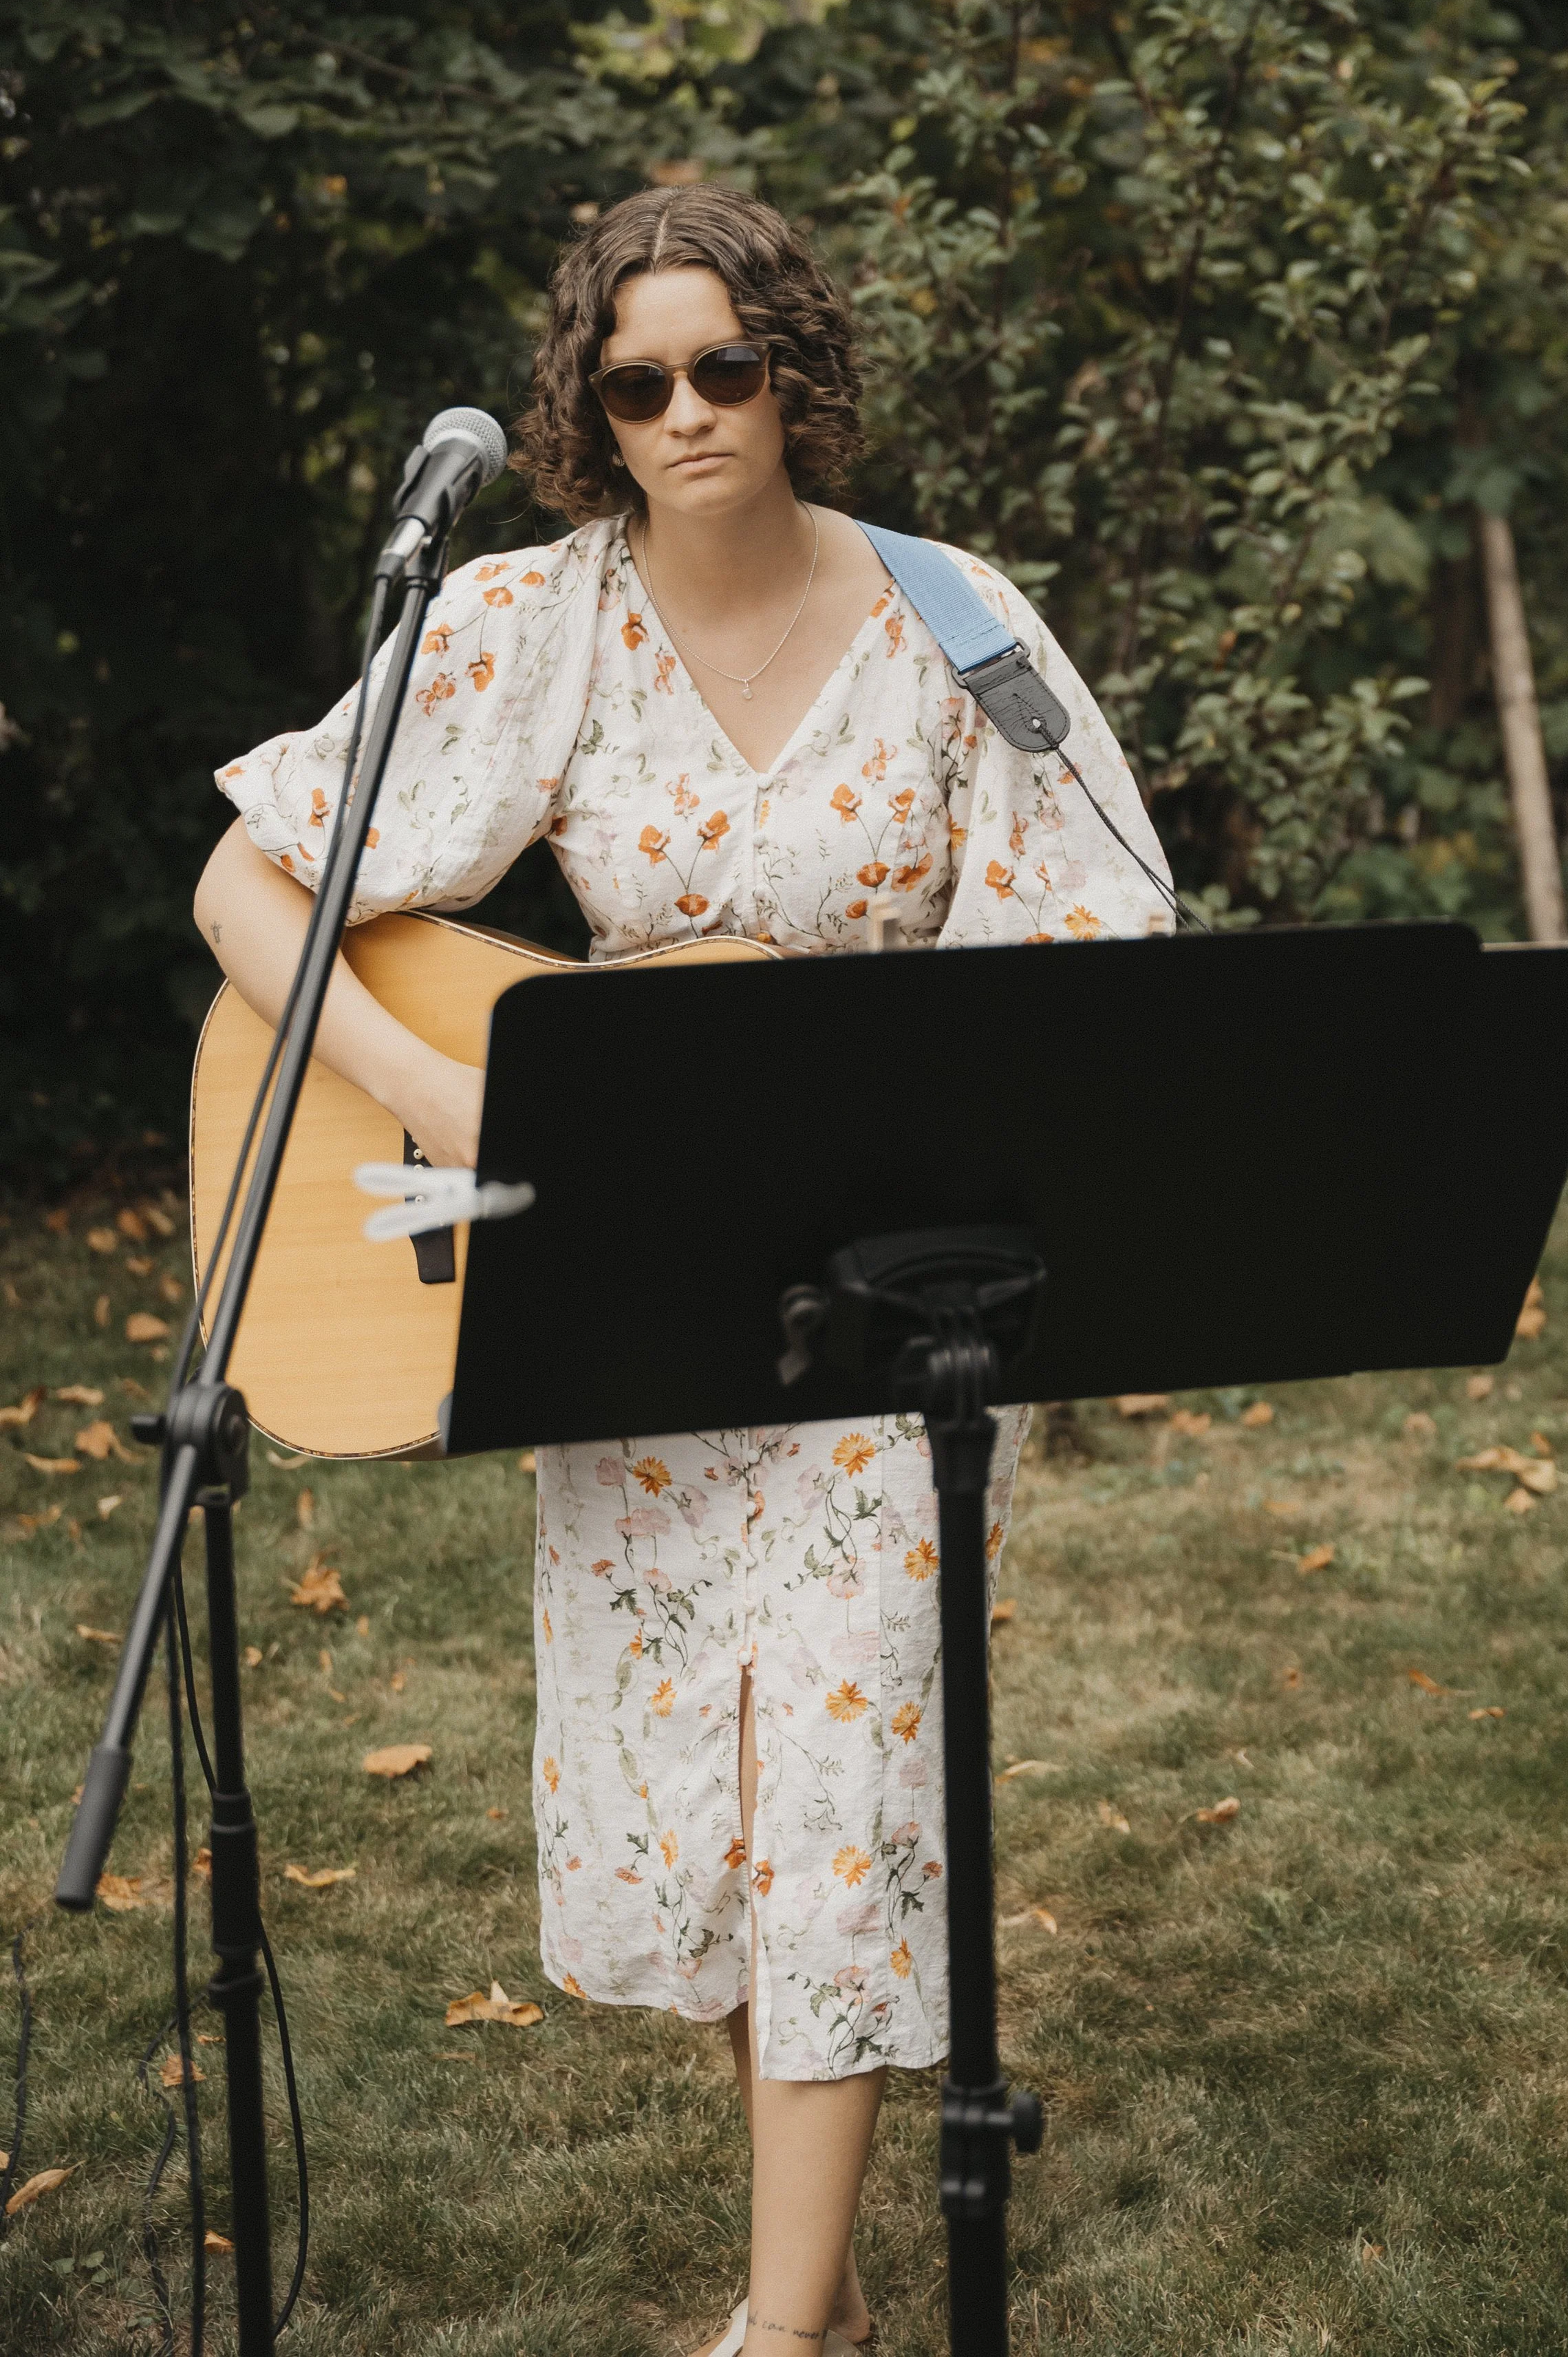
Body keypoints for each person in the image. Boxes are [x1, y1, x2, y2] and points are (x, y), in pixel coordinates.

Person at [193, 184, 1174, 2356]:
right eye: (636, 382)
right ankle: (801, 2292)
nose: (686, 411)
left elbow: (1101, 948)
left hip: (881, 1289)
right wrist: (440, 1093)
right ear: (589, 409)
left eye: (725, 364)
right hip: (629, 1288)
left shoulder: (953, 619)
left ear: (795, 371)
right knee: (707, 1809)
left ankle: (779, 2324)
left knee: (832, 1786)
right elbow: (252, 885)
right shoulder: (534, 624)